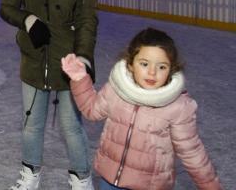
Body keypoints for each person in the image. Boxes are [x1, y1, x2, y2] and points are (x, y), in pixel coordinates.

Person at [0, 0, 107, 190]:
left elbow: (88, 19)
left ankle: (82, 179)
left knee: (72, 126)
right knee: (32, 124)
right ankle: (30, 176)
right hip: (34, 57)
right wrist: (29, 20)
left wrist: (83, 58)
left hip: (69, 60)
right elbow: (7, 7)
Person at [61, 28, 222, 190]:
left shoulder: (177, 106)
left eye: (162, 67)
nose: (152, 72)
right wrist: (79, 79)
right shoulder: (116, 90)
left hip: (150, 185)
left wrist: (210, 186)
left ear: (171, 69)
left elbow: (192, 152)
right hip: (110, 180)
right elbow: (92, 110)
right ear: (130, 64)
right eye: (144, 64)